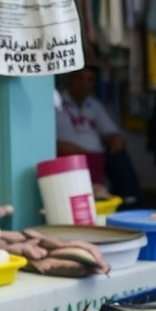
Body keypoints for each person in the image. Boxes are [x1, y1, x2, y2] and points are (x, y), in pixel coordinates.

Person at [54, 66, 143, 206]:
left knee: (120, 155)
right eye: (80, 78)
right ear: (70, 79)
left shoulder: (94, 105)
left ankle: (130, 201)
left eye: (89, 80)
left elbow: (110, 131)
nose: (84, 84)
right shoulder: (55, 103)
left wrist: (115, 138)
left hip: (96, 156)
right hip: (66, 154)